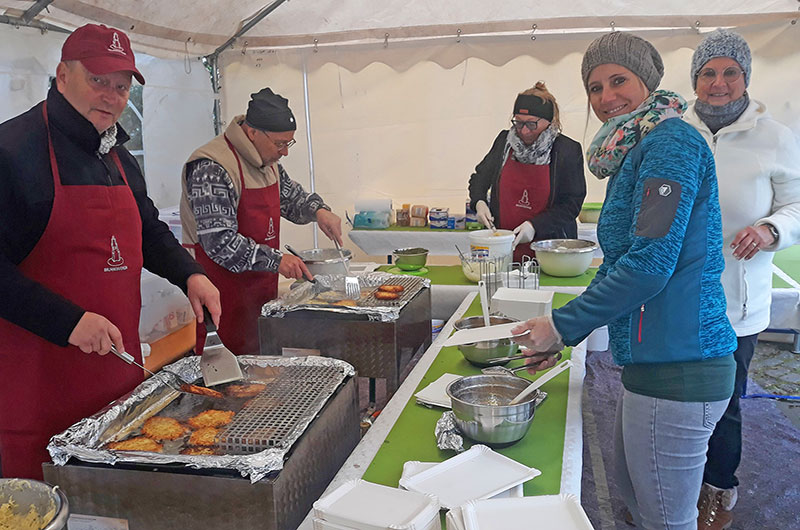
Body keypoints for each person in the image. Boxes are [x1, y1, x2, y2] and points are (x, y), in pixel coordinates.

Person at [511, 32, 737, 529]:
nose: (606, 96)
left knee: (664, 519)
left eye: (619, 80)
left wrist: (561, 325)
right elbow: (619, 264)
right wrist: (566, 332)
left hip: (681, 366)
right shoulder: (636, 146)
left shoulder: (671, 143)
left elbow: (650, 264)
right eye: (594, 87)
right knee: (638, 504)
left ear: (648, 81)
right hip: (652, 362)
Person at [0, 24, 220, 480]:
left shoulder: (119, 155)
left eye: (121, 87)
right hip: (39, 384)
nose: (111, 96)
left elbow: (148, 230)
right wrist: (68, 321)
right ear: (62, 75)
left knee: (112, 505)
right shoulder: (12, 152)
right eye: (97, 80)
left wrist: (189, 274)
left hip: (115, 378)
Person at [683, 29, 800, 530]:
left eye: (730, 72)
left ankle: (719, 490)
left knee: (725, 402)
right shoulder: (675, 130)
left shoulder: (774, 136)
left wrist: (771, 228)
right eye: (708, 73)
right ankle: (676, 484)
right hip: (678, 295)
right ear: (695, 80)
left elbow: (796, 205)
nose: (718, 83)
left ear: (746, 78)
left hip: (737, 301)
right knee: (677, 398)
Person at [180, 87, 342, 356]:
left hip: (260, 296)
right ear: (252, 132)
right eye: (279, 144)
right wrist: (277, 260)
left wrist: (319, 211)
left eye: (288, 143)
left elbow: (292, 199)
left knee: (265, 371)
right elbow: (220, 243)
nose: (284, 152)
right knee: (229, 384)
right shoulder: (213, 167)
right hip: (222, 299)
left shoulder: (268, 162)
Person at [467, 82, 586, 261]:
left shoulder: (567, 150)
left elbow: (571, 204)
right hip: (505, 248)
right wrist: (479, 202)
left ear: (549, 121)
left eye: (531, 124)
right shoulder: (504, 142)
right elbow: (479, 179)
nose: (523, 131)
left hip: (551, 251)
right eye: (518, 123)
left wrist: (535, 226)